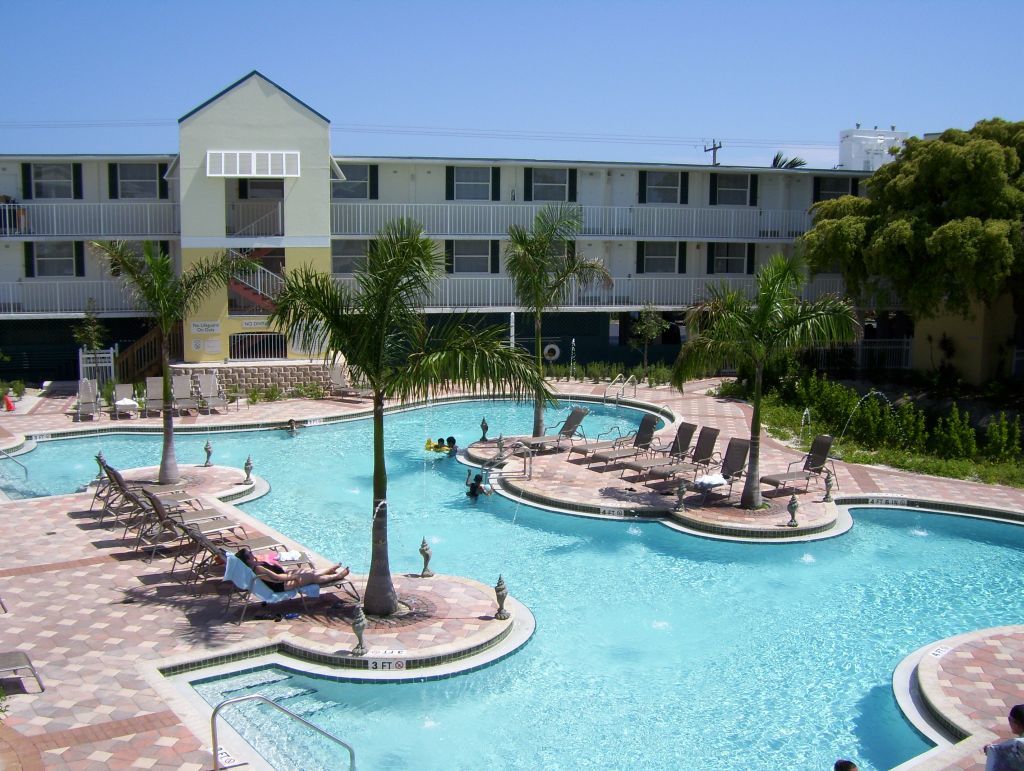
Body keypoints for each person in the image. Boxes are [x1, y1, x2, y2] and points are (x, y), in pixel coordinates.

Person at [235, 547, 349, 592]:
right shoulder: (258, 568)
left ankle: (329, 570)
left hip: (284, 576)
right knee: (313, 577)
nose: (251, 552)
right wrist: (294, 577)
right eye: (249, 553)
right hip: (282, 584)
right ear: (248, 560)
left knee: (309, 571)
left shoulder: (256, 563)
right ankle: (336, 576)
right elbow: (276, 577)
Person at [984, 704, 1024, 771]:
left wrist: (992, 751)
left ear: (1016, 724)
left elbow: (1008, 760)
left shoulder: (1018, 745)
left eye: (1009, 719)